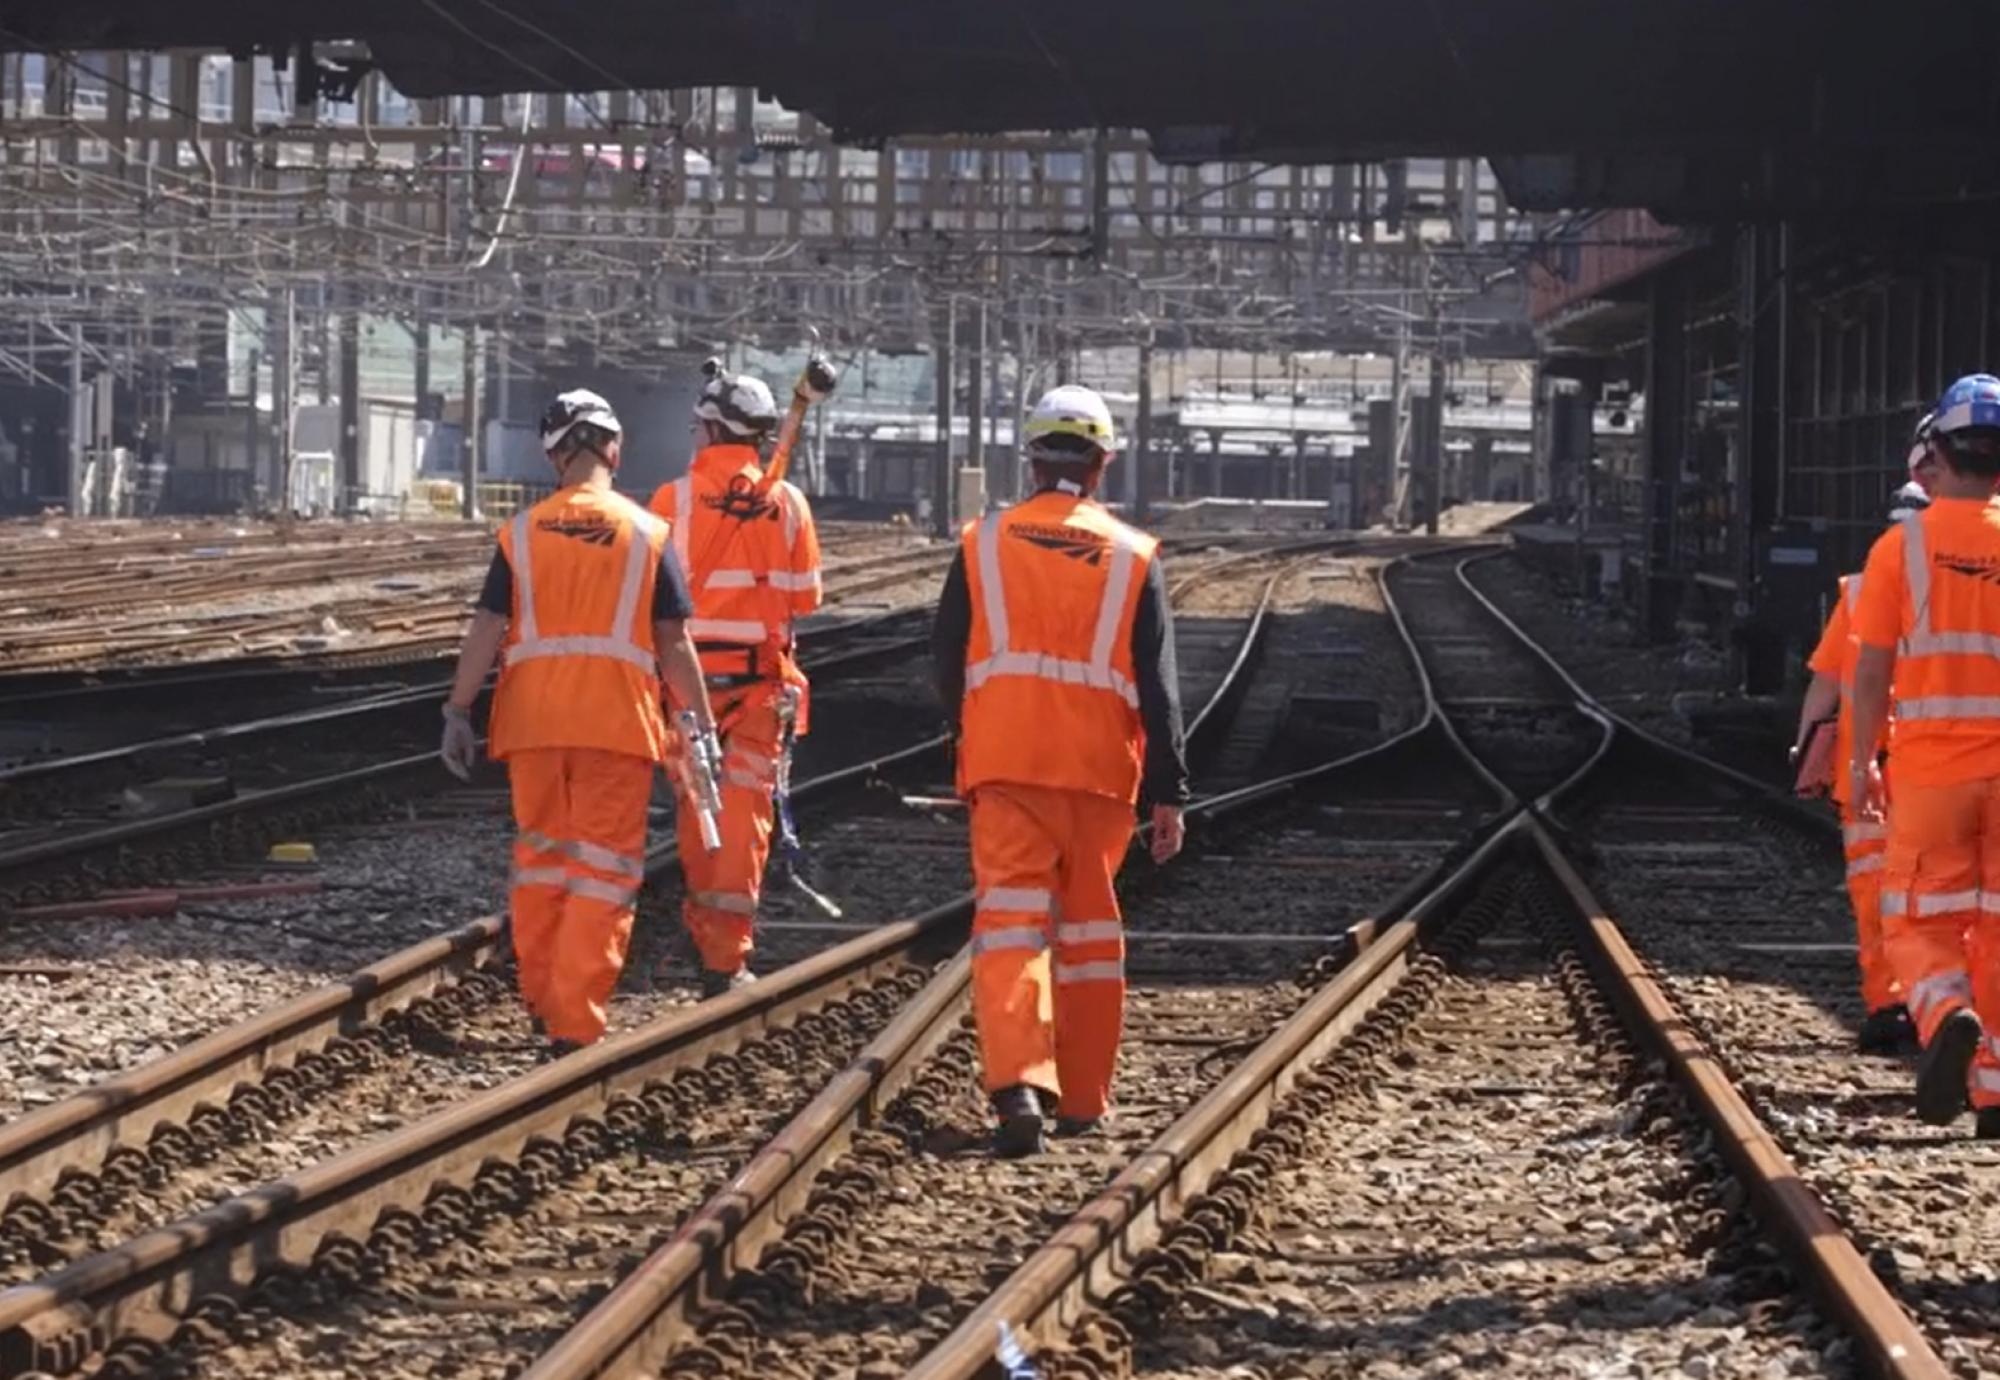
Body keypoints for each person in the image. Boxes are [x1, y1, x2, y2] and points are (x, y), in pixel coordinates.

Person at [932, 383, 1191, 1158]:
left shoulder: (981, 542)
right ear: (1103, 464)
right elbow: (1159, 683)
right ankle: (1083, 1099)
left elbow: (946, 654)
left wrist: (970, 728)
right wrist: (1170, 792)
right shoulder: (1134, 557)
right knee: (1087, 936)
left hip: (1007, 765)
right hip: (1101, 774)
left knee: (1011, 926)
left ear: (1032, 460)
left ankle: (1018, 1084)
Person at [441, 389, 719, 1054]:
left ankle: (542, 996)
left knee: (541, 861)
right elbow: (674, 642)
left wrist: (456, 709)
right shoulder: (648, 535)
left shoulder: (522, 535)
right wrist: (700, 723)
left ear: (553, 452)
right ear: (614, 450)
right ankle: (574, 1018)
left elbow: (486, 628)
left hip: (532, 727)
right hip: (616, 727)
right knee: (603, 872)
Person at [1850, 374, 2000, 1135]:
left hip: (1934, 772)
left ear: (1935, 450)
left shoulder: (1898, 547)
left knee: (1914, 919)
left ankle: (1944, 1012)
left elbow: (1871, 668)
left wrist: (1859, 761)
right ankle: (1997, 1095)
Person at [647, 362, 824, 997]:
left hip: (688, 694)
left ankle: (710, 942)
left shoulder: (671, 501)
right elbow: (804, 598)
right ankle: (724, 958)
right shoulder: (790, 504)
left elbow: (655, 604)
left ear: (714, 428)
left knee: (700, 821)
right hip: (757, 696)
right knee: (744, 826)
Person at [1795, 467, 1932, 1053]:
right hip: (1937, 766)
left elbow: (1826, 684)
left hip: (1867, 767)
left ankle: (1888, 1004)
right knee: (1942, 896)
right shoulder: (1965, 584)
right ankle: (1946, 1006)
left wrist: (1806, 749)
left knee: (1875, 893)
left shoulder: (1857, 590)